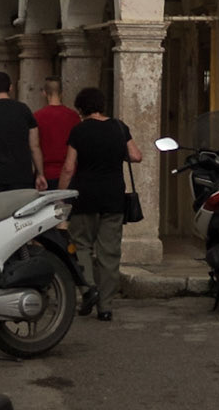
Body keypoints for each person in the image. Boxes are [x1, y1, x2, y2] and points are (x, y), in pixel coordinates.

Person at [61, 86, 141, 321]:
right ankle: (105, 307)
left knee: (81, 246)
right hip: (113, 198)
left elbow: (68, 167)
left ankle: (88, 289)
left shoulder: (78, 131)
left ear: (81, 109)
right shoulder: (119, 127)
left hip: (84, 196)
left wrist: (60, 195)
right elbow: (136, 155)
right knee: (109, 253)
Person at [0, 71, 46, 194]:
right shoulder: (24, 110)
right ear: (11, 88)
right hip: (20, 176)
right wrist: (40, 173)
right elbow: (34, 146)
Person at [35, 77, 80, 188]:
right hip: (71, 173)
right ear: (62, 93)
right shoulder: (73, 116)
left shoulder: (37, 116)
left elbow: (35, 146)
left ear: (44, 93)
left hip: (46, 173)